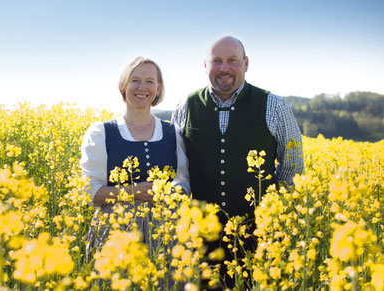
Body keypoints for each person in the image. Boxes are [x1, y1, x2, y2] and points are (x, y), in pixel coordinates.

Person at [171, 36, 304, 288]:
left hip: (260, 234)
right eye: (217, 61)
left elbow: (292, 167)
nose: (224, 68)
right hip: (200, 237)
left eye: (232, 60)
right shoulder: (185, 105)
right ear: (205, 66)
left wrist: (274, 214)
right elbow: (178, 170)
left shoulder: (275, 105)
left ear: (246, 63)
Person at [80, 56, 190, 258]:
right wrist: (133, 191)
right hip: (115, 232)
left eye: (150, 81)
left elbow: (183, 181)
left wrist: (172, 191)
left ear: (158, 88)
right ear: (123, 86)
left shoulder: (172, 132)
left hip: (165, 232)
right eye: (135, 80)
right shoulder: (101, 133)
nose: (142, 87)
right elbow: (90, 191)